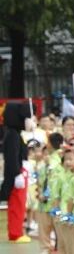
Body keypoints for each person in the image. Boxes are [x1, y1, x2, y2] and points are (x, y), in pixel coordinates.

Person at [2, 101, 32, 243]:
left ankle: (16, 231)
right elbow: (12, 157)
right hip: (17, 174)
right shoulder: (13, 135)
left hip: (20, 171)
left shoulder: (16, 134)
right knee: (16, 204)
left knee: (19, 204)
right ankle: (15, 233)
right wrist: (17, 174)